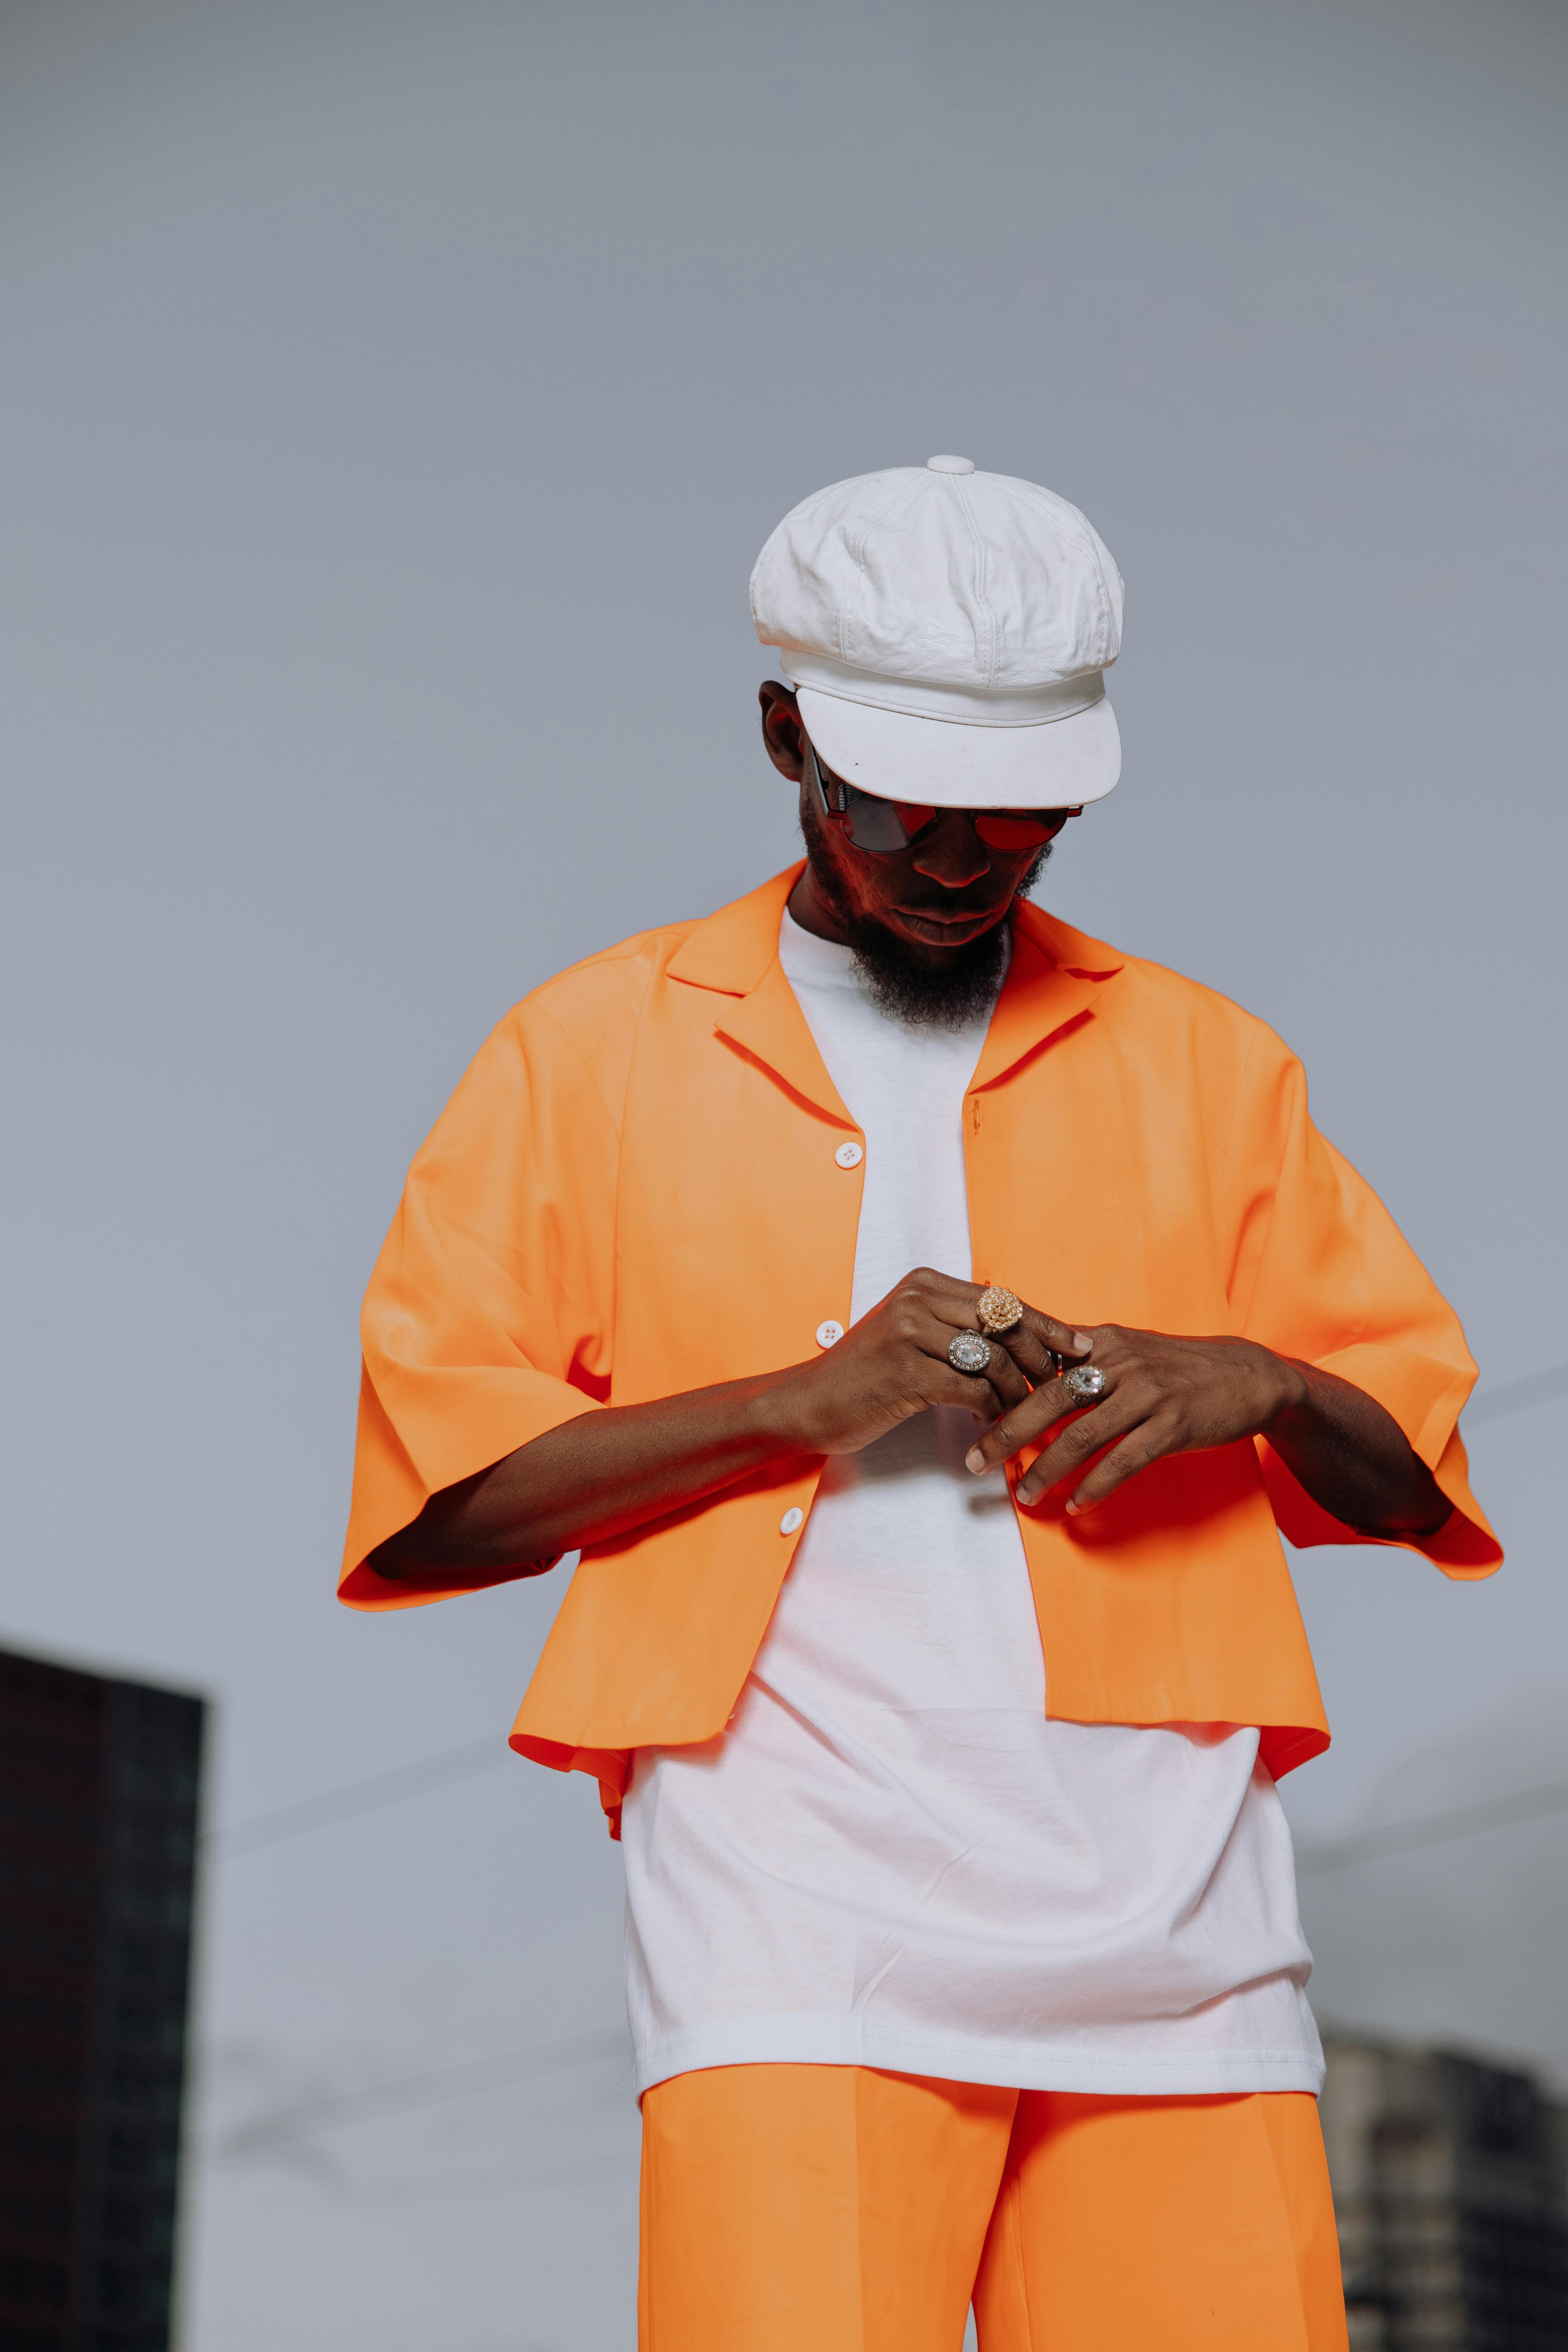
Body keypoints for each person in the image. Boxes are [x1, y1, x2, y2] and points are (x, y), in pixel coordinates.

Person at [340, 456, 1500, 2350]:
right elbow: (437, 1503)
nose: (964, 862)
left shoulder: (1212, 1064)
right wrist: (807, 1401)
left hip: (1188, 1937)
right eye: (906, 811)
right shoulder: (593, 1048)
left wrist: (1271, 1381)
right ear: (785, 736)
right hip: (794, 1925)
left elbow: (1406, 1474)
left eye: (1025, 817)